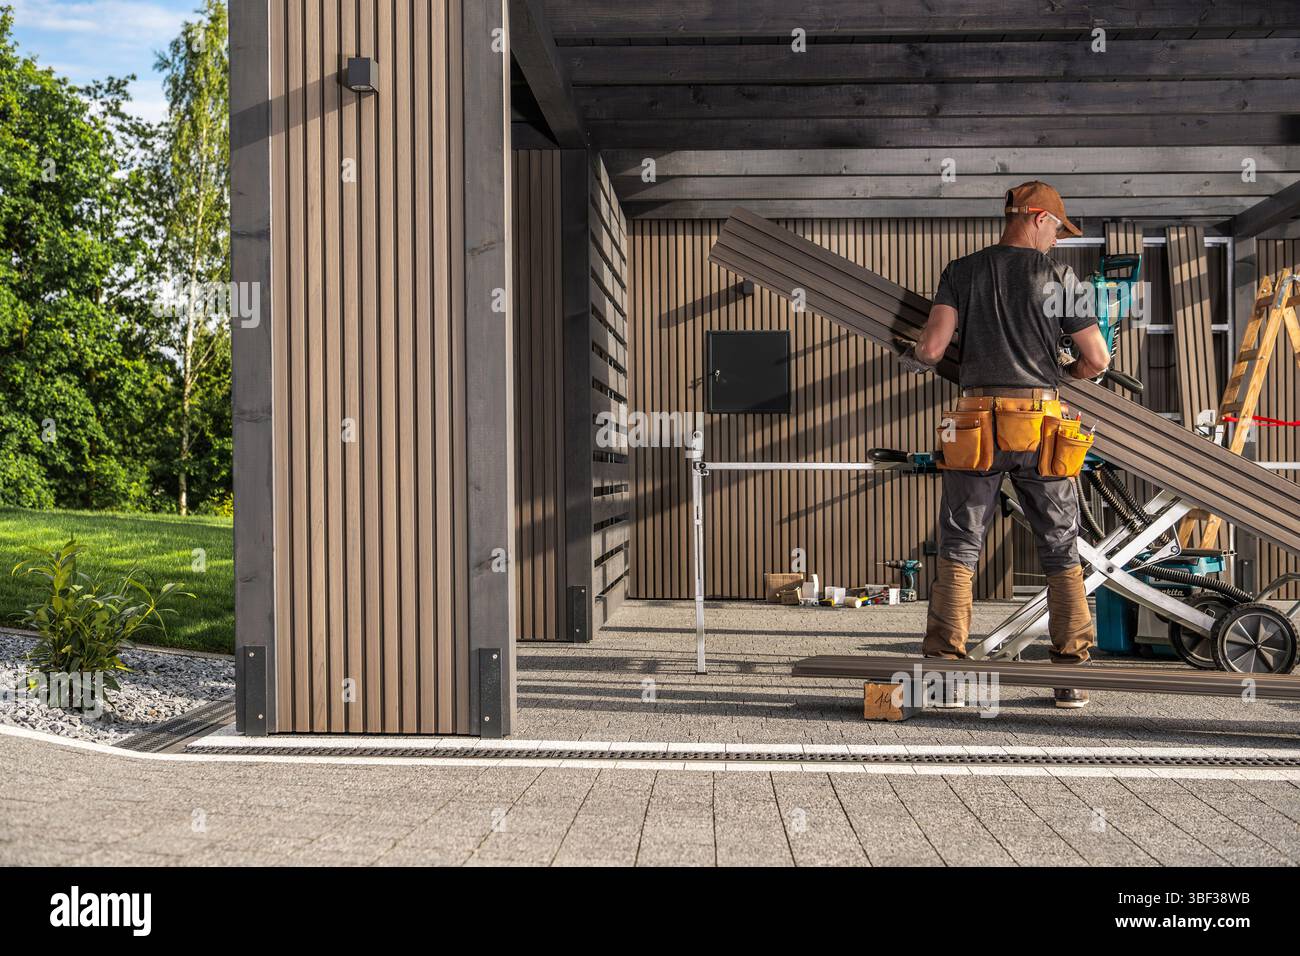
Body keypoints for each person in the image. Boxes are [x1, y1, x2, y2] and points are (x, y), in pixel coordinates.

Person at [899, 181, 1112, 708]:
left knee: (959, 544)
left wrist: (911, 353)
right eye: (1058, 229)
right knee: (1060, 546)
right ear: (1038, 217)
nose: (1058, 241)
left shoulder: (962, 271)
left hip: (975, 424)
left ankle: (943, 671)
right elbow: (1099, 360)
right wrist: (1069, 370)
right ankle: (1070, 674)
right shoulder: (1062, 278)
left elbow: (930, 349)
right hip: (1040, 423)